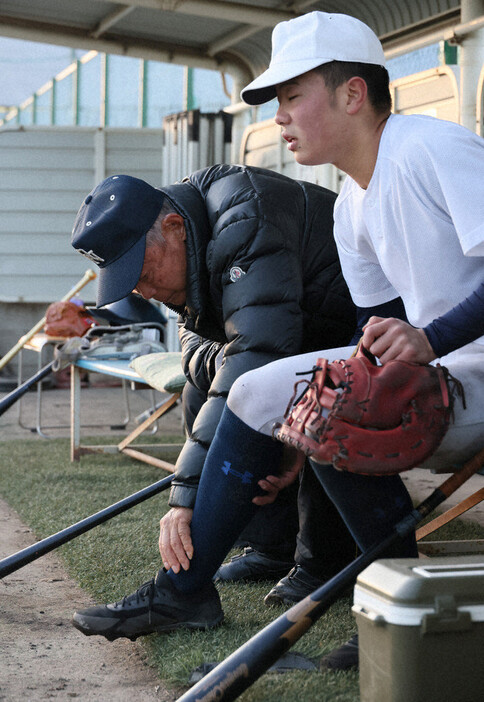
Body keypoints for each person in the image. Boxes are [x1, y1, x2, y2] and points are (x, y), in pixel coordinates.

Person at [72, 11, 484, 674]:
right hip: (447, 376)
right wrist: (297, 433)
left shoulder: (430, 148)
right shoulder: (352, 203)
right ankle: (397, 600)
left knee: (316, 391)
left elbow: (418, 331)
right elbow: (369, 338)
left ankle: (391, 601)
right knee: (295, 393)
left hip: (470, 364)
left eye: (293, 97)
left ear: (352, 94)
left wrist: (430, 338)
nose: (281, 118)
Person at [71, 165, 358, 593]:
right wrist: (233, 359)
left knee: (307, 396)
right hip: (300, 338)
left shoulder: (243, 217)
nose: (145, 293)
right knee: (199, 392)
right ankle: (270, 546)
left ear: (173, 228)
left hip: (358, 337)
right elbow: (198, 347)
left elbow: (256, 355)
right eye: (132, 284)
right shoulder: (185, 237)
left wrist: (184, 495)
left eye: (143, 273)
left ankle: (325, 563)